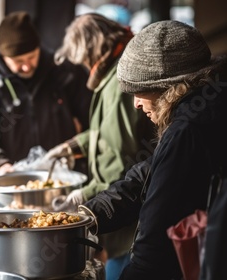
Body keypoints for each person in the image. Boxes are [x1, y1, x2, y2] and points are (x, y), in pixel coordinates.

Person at [76, 20, 227, 280]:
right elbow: (149, 173)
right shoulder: (204, 107)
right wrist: (89, 214)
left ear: (170, 86)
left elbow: (155, 244)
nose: (135, 103)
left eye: (140, 91)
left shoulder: (187, 130)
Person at [45, 13, 155, 279]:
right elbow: (105, 132)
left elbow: (119, 158)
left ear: (92, 50)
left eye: (82, 59)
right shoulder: (111, 73)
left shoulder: (117, 83)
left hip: (128, 225)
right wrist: (72, 146)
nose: (83, 65)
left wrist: (84, 196)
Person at [0, 11, 93, 180]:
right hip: (12, 185)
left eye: (31, 57)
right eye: (18, 61)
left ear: (39, 48)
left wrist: (76, 149)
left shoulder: (63, 71)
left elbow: (92, 121)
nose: (26, 67)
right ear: (3, 56)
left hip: (65, 179)